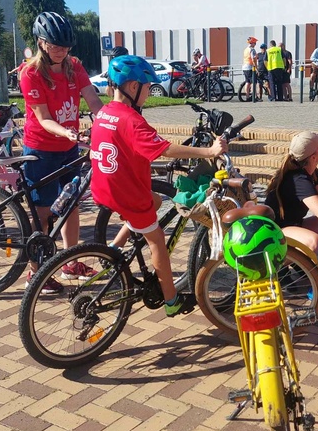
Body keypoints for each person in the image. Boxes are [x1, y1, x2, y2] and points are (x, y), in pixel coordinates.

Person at [90, 55, 227, 316]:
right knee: (157, 241)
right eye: (146, 88)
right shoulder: (132, 120)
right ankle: (172, 301)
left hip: (104, 188)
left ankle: (112, 254)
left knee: (154, 201)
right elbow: (165, 149)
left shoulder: (104, 113)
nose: (148, 95)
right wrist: (209, 152)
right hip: (126, 193)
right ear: (132, 87)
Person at [20, 11, 104, 293]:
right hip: (41, 149)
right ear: (42, 43)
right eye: (56, 46)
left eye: (66, 47)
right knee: (43, 215)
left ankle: (71, 261)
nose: (61, 52)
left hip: (69, 148)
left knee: (71, 204)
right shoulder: (30, 73)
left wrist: (107, 121)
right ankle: (35, 272)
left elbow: (92, 98)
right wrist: (66, 131)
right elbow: (43, 118)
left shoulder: (74, 65)